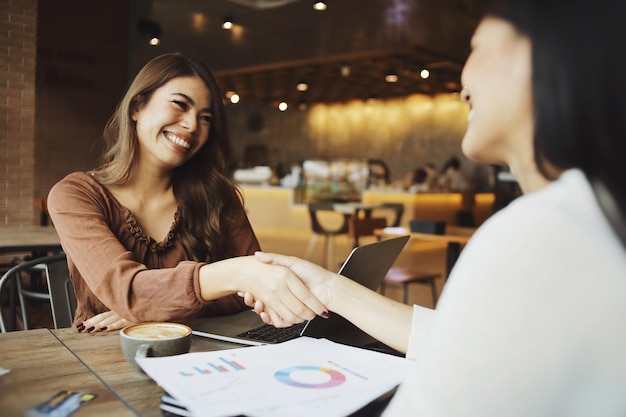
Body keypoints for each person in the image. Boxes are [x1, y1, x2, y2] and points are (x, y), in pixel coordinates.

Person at [251, 0, 626, 415]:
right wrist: (330, 289)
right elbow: (474, 347)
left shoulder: (540, 229)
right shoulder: (593, 215)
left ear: (544, 55)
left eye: (476, 47)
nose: (462, 83)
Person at [47, 53, 326, 333]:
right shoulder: (75, 196)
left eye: (205, 118)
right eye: (180, 104)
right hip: (102, 356)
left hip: (203, 354)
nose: (192, 125)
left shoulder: (217, 197)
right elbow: (128, 292)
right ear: (137, 107)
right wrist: (234, 274)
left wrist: (157, 310)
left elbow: (248, 296)